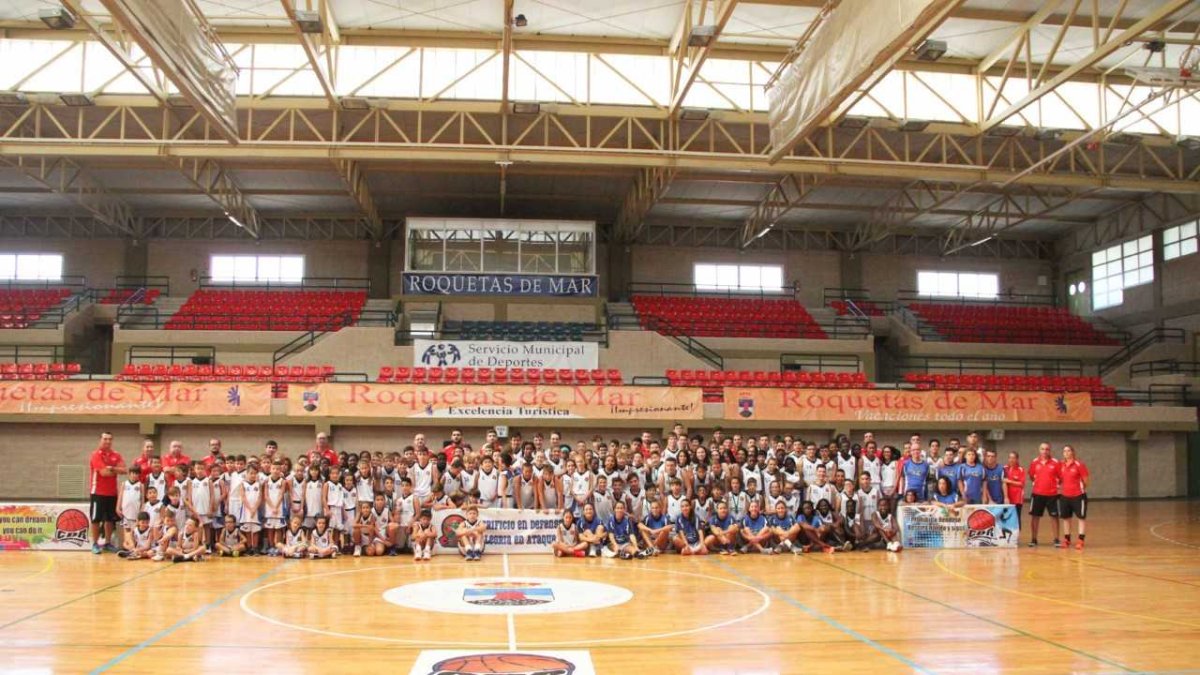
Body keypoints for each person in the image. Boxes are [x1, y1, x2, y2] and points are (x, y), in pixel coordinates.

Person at [89, 432, 127, 554]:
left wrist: (112, 468)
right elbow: (104, 473)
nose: (107, 441)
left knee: (110, 519)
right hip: (98, 492)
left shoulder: (116, 455)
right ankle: (95, 544)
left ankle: (107, 543)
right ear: (100, 440)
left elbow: (124, 470)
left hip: (112, 492)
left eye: (110, 439)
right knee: (96, 519)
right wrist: (114, 470)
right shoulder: (96, 455)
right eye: (105, 439)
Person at [1028, 443, 1062, 548]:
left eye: (1047, 449)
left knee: (1054, 517)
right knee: (1035, 517)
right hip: (1037, 494)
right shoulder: (1034, 462)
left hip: (1052, 494)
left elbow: (1061, 477)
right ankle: (1034, 539)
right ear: (1039, 450)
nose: (1044, 451)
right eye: (1042, 449)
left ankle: (1056, 539)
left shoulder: (1056, 462)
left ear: (1049, 450)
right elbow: (1031, 476)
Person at [1058, 445, 1090, 550]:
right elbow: (1059, 479)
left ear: (1072, 452)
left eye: (1068, 451)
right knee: (1066, 518)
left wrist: (1080, 489)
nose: (1066, 453)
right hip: (1064, 496)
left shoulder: (1079, 465)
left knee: (1081, 517)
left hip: (1078, 496)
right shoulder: (1061, 465)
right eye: (1064, 451)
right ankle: (1067, 539)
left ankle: (1081, 539)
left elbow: (1086, 480)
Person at [1003, 451, 1027, 524]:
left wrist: (1009, 481)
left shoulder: (1021, 470)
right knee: (1006, 518)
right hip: (1007, 499)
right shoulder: (1004, 468)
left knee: (1016, 518)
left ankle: (1017, 535)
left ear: (1017, 459)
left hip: (1017, 499)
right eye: (1010, 457)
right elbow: (1003, 481)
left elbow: (1021, 484)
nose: (1011, 460)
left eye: (1013, 458)